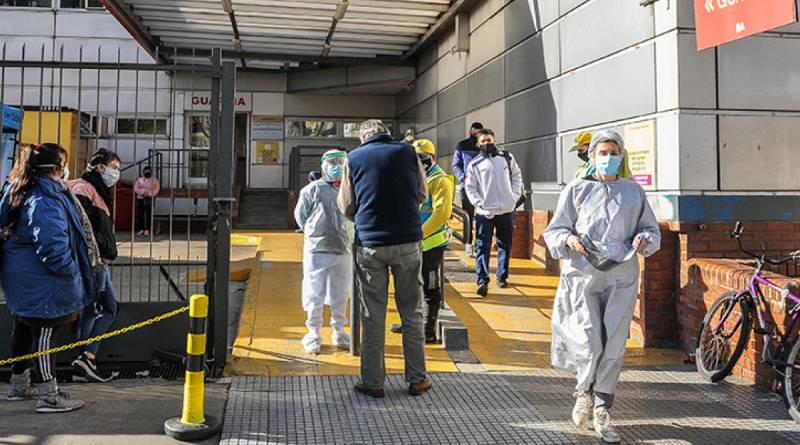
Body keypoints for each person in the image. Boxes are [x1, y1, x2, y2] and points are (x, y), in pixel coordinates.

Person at [543, 130, 661, 443]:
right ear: (593, 156)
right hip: (582, 273)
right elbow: (555, 230)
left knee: (614, 341)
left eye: (614, 152)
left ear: (621, 156)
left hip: (621, 273)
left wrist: (645, 240)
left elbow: (650, 229)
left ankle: (602, 406)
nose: (609, 158)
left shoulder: (633, 192)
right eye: (603, 152)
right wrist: (567, 239)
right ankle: (583, 390)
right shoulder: (576, 190)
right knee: (588, 340)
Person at [337, 119, 432, 398]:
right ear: (386, 134)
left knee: (373, 314)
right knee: (412, 312)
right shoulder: (408, 152)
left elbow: (346, 205)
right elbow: (422, 194)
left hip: (370, 245)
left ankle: (373, 382)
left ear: (363, 137)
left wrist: (367, 217)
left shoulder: (353, 158)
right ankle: (417, 379)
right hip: (408, 242)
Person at [1, 143, 99, 413]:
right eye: (64, 164)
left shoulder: (21, 188)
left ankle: (19, 385)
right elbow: (52, 245)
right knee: (45, 331)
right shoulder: (45, 198)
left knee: (23, 326)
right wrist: (72, 272)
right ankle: (49, 396)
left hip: (23, 275)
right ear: (56, 168)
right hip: (42, 278)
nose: (66, 169)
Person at [67, 148, 122, 383]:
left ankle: (85, 360)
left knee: (100, 308)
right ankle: (86, 357)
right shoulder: (84, 188)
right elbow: (83, 227)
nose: (116, 174)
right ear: (100, 167)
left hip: (99, 260)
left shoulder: (98, 190)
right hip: (92, 261)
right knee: (101, 308)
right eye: (114, 168)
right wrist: (100, 249)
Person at [294, 149, 353, 354]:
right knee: (314, 293)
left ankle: (339, 331)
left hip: (343, 249)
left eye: (340, 162)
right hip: (316, 250)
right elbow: (301, 216)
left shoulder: (349, 187)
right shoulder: (312, 189)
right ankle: (313, 333)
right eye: (332, 162)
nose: (336, 166)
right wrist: (314, 233)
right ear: (323, 165)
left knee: (341, 293)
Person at [464, 129, 523, 297]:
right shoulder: (474, 164)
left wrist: (514, 196)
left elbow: (517, 176)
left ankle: (502, 276)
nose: (486, 143)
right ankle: (482, 280)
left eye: (489, 139)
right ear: (478, 144)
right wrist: (479, 203)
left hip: (506, 209)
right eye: (483, 141)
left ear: (494, 140)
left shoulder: (506, 158)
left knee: (505, 244)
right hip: (485, 212)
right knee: (483, 246)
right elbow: (470, 187)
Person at [452, 122, 484, 258]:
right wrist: (464, 180)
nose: (476, 135)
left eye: (479, 133)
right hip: (467, 187)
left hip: (483, 186)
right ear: (471, 131)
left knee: (482, 215)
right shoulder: (462, 145)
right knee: (468, 216)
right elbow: (456, 165)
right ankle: (468, 244)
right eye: (475, 132)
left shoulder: (484, 146)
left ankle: (479, 244)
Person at [134, 165, 160, 237]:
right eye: (146, 171)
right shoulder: (139, 180)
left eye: (148, 171)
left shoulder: (154, 180)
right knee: (140, 214)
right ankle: (141, 229)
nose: (147, 173)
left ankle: (147, 229)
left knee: (149, 215)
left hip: (149, 199)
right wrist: (143, 192)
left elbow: (156, 189)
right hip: (140, 198)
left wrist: (149, 194)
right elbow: (136, 188)